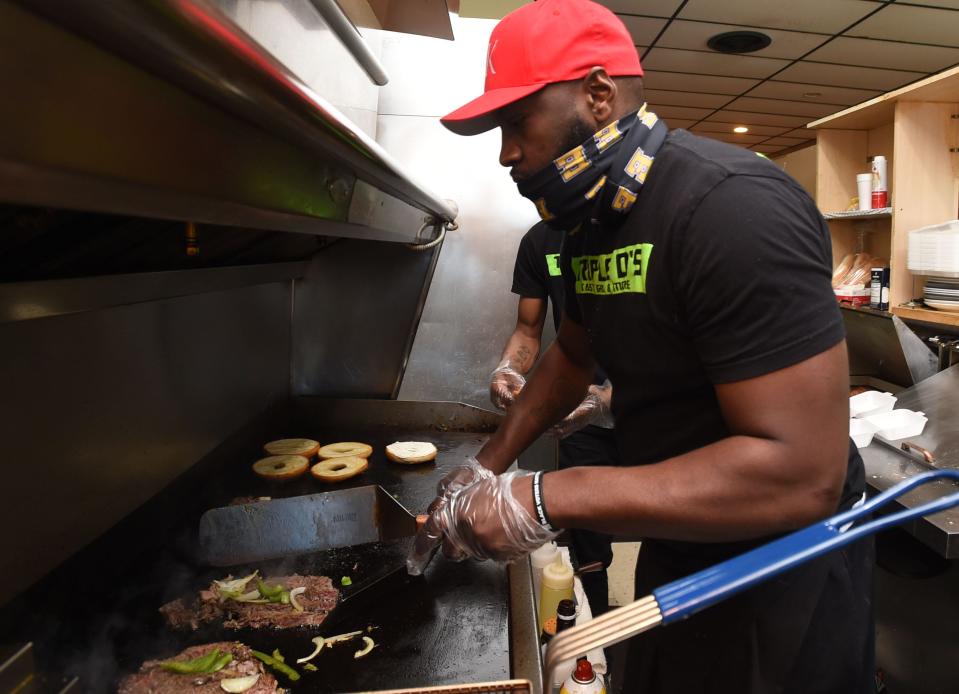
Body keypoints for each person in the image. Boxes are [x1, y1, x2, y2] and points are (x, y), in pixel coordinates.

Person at [407, 1, 874, 692]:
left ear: (597, 95)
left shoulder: (730, 208)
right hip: (685, 534)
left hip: (778, 562)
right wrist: (485, 466)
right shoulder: (592, 224)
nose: (506, 152)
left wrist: (545, 497)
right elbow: (570, 355)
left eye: (514, 123)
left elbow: (800, 474)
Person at [493, 219, 619, 615]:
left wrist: (608, 397)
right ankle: (595, 641)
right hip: (578, 410)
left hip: (652, 409)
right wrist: (509, 367)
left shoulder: (638, 230)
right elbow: (528, 330)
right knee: (588, 533)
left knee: (670, 524)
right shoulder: (539, 241)